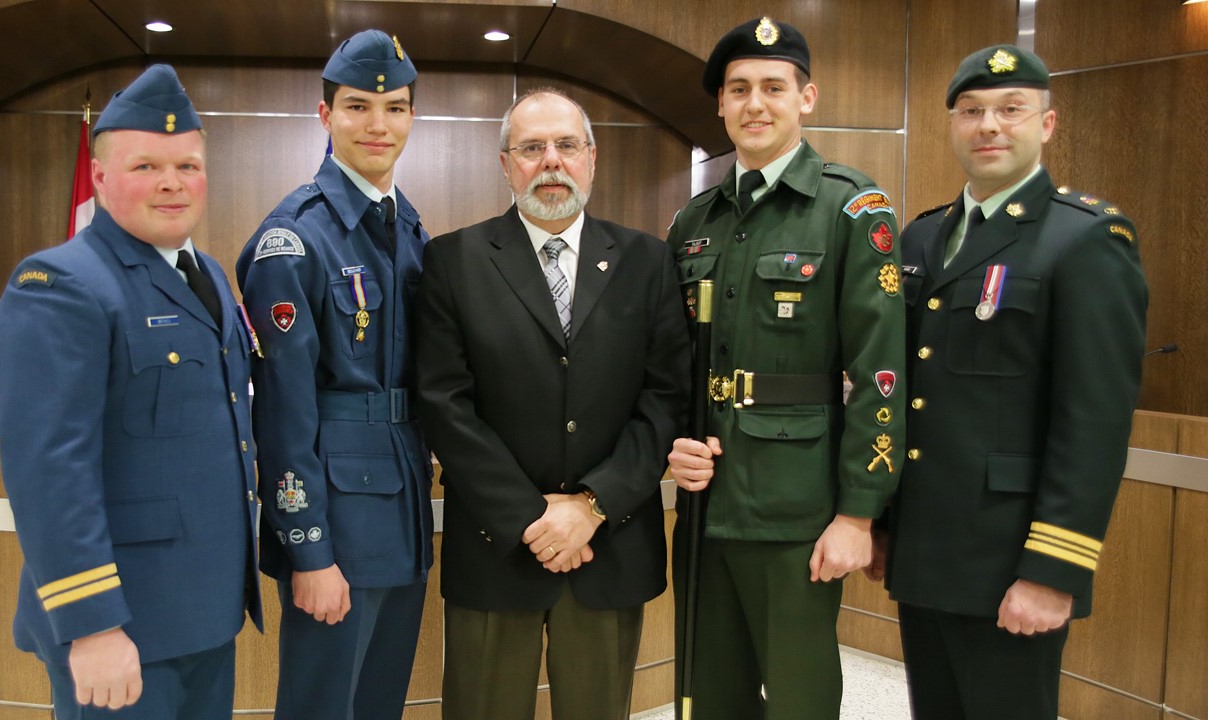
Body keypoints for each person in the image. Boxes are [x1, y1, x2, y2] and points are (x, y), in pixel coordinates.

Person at [871, 44, 1147, 720]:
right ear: (953, 125)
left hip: (1010, 560)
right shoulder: (921, 239)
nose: (989, 125)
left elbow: (1094, 422)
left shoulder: (1085, 240)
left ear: (1046, 125)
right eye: (972, 111)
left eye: (1010, 109)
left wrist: (1053, 572)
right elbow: (908, 395)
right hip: (927, 553)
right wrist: (884, 524)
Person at [0, 64, 262, 719]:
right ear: (103, 177)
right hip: (123, 627)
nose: (172, 182)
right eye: (146, 166)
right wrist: (92, 625)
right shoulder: (62, 285)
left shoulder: (211, 276)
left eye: (187, 165)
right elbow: (51, 470)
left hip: (204, 612)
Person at [414, 87, 690, 720]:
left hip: (609, 545)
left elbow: (666, 397)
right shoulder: (453, 261)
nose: (551, 161)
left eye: (567, 145)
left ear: (592, 158)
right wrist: (532, 518)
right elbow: (444, 405)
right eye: (532, 148)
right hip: (496, 546)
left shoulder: (647, 261)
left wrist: (593, 506)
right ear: (506, 164)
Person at [665, 17, 907, 719]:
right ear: (720, 104)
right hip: (707, 502)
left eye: (774, 86)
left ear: (808, 97)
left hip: (798, 508)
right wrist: (673, 445)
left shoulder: (851, 208)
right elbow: (675, 360)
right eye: (738, 88)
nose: (755, 104)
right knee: (710, 695)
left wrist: (860, 512)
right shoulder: (694, 221)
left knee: (799, 697)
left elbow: (881, 372)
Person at [235, 29, 432, 720]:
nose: (378, 125)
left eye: (395, 108)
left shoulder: (405, 227)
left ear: (412, 117)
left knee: (378, 705)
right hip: (339, 524)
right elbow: (283, 411)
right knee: (323, 707)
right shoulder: (295, 237)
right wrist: (308, 548)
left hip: (400, 509)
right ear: (325, 116)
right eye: (357, 106)